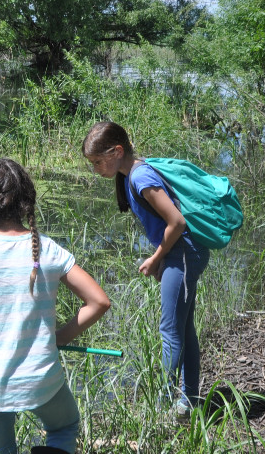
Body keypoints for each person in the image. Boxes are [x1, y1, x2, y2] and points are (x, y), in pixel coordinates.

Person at [0, 158, 111, 454]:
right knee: (64, 426)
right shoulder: (48, 249)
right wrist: (59, 338)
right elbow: (99, 301)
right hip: (43, 380)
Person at [81, 121, 210, 418]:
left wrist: (156, 258)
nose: (97, 168)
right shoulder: (133, 173)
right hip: (183, 253)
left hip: (184, 254)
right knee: (183, 328)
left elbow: (177, 222)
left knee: (170, 330)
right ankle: (188, 400)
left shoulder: (139, 177)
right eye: (93, 164)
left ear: (117, 151)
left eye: (99, 161)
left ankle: (163, 406)